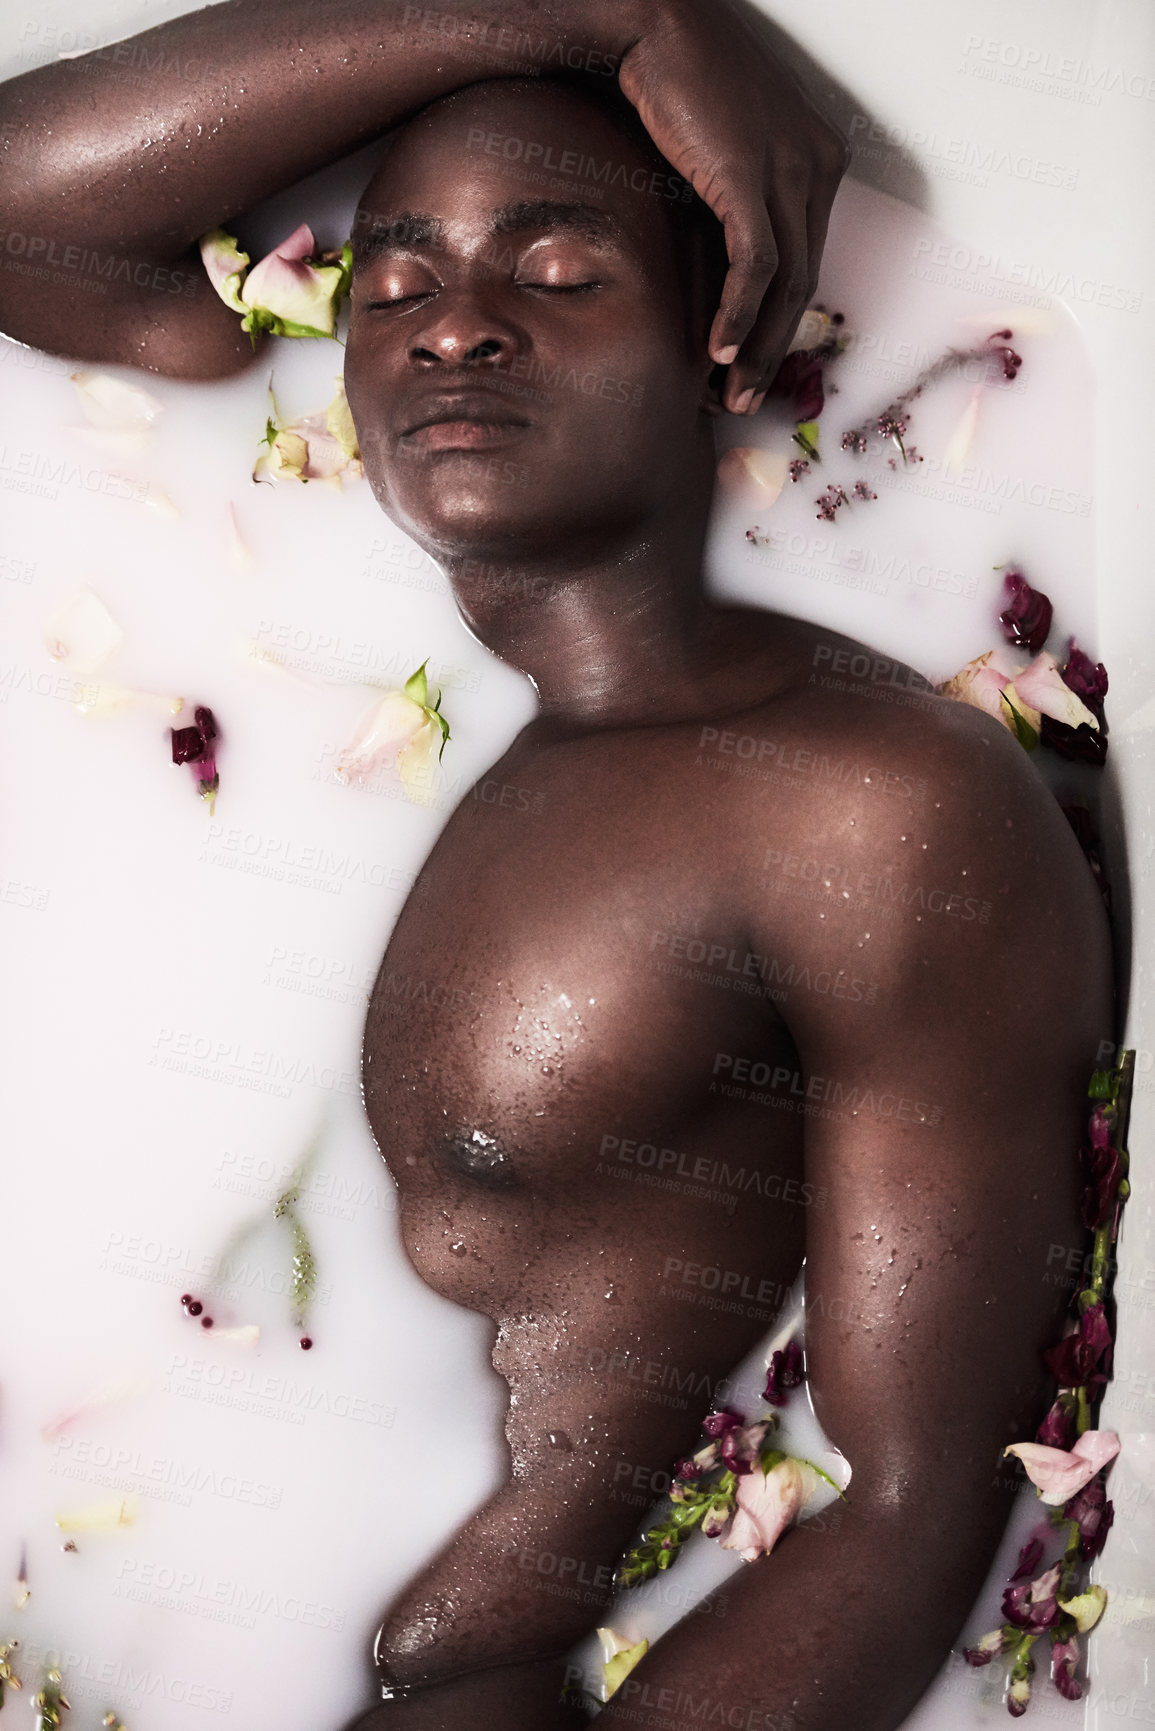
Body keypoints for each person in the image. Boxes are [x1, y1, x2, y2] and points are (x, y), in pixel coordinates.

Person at [0, 6, 1114, 1729]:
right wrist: (617, 12)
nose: (456, 330)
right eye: (392, 285)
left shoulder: (866, 809)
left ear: (721, 335)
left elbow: (914, 1505)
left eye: (562, 270)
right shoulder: (483, 731)